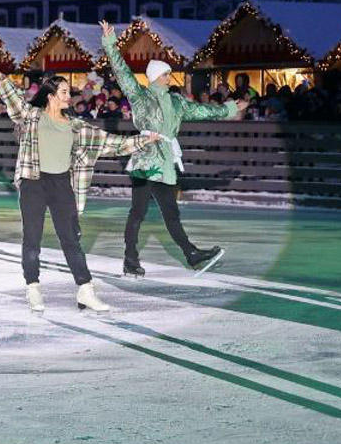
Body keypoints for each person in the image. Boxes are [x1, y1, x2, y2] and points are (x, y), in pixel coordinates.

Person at [0, 44, 159, 315]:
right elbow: (7, 91)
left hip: (62, 184)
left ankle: (86, 290)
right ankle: (33, 288)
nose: (69, 97)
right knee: (32, 238)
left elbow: (111, 143)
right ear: (51, 96)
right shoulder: (30, 116)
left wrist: (144, 141)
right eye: (64, 92)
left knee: (71, 238)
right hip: (33, 182)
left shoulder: (76, 126)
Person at [99, 21, 247, 277]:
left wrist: (231, 108)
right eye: (167, 73)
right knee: (138, 212)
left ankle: (192, 255)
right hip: (146, 161)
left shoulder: (177, 102)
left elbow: (203, 111)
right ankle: (130, 259)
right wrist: (110, 44)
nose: (171, 77)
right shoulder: (140, 95)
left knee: (171, 213)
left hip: (166, 163)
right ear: (157, 76)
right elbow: (122, 72)